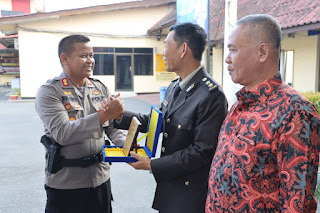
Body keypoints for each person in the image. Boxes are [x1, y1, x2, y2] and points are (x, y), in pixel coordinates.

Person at [205, 14, 320, 213]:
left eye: (233, 50)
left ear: (262, 52)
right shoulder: (239, 105)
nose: (227, 59)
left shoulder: (295, 112)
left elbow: (297, 204)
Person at [113, 23, 228, 213]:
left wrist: (152, 164)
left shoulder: (211, 95)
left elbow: (202, 152)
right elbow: (157, 122)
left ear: (183, 49)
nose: (163, 53)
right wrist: (118, 115)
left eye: (166, 46)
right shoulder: (175, 87)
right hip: (169, 190)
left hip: (189, 197)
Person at [35, 34, 126, 213]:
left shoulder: (99, 87)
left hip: (100, 179)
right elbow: (63, 132)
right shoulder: (49, 92)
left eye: (92, 55)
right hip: (66, 185)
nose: (90, 60)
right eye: (84, 55)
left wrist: (126, 145)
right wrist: (104, 115)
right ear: (65, 59)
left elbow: (112, 127)